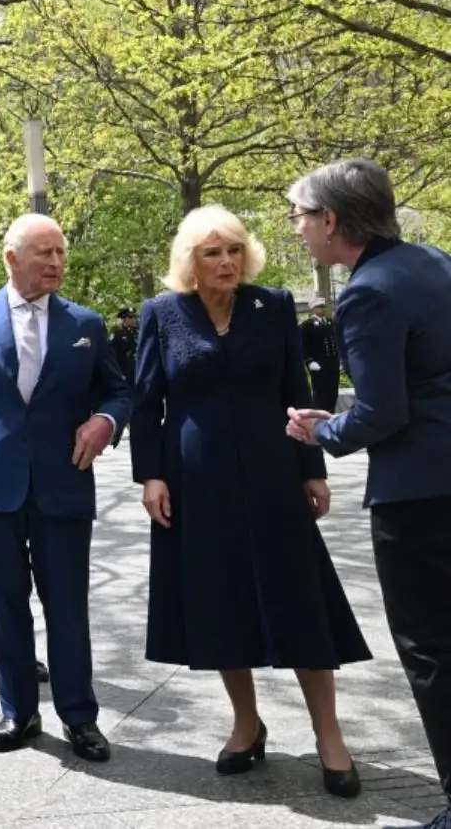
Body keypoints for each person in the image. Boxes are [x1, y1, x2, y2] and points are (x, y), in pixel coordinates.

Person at [134, 206, 368, 797]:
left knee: (300, 601)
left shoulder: (274, 307)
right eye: (213, 252)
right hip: (195, 481)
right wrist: (151, 477)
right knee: (219, 603)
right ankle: (246, 724)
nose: (227, 262)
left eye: (234, 250)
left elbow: (299, 391)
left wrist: (313, 469)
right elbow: (145, 404)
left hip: (273, 474)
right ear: (191, 261)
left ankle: (329, 735)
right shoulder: (161, 315)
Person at [285, 159, 451, 829]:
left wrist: (324, 433)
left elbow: (383, 412)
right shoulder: (433, 260)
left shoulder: (368, 291)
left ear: (332, 220)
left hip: (420, 494)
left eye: (300, 214)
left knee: (431, 648)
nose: (297, 228)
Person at [0, 213, 130, 761]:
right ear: (11, 259)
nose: (55, 263)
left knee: (67, 605)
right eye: (44, 253)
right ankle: (18, 711)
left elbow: (119, 392)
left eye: (61, 253)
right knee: (5, 605)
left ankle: (79, 716)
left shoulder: (86, 325)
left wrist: (106, 422)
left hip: (63, 483)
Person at [300, 297, 342, 413]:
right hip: (318, 364)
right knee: (320, 393)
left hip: (332, 363)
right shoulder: (307, 325)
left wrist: (340, 359)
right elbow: (302, 345)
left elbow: (337, 341)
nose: (321, 309)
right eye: (318, 307)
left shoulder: (330, 322)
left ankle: (331, 414)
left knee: (333, 392)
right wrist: (309, 361)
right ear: (312, 309)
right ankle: (319, 417)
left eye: (323, 306)